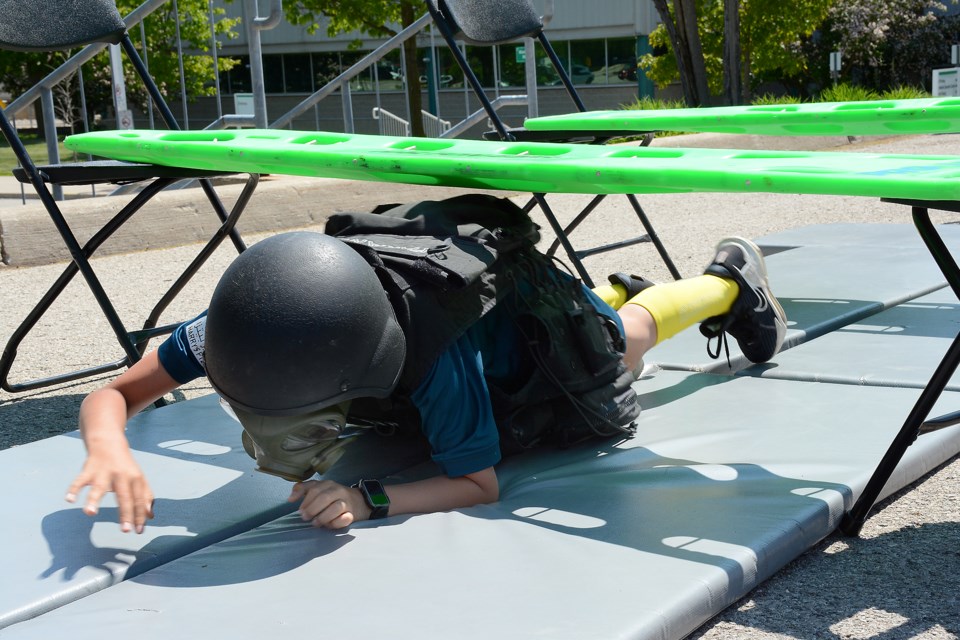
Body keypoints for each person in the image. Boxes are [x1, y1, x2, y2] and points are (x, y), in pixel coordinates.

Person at [65, 199, 786, 535]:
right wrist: (107, 444)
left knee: (622, 342)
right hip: (494, 313)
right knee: (594, 317)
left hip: (534, 341)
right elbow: (115, 394)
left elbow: (479, 483)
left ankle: (728, 280)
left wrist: (369, 500)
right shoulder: (250, 323)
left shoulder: (435, 357)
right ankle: (608, 294)